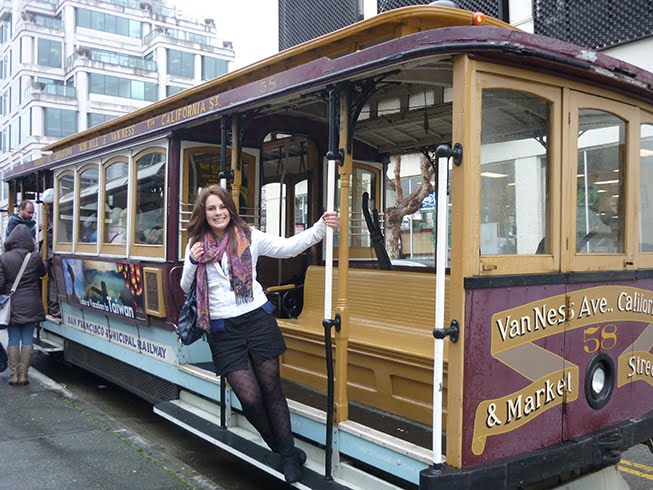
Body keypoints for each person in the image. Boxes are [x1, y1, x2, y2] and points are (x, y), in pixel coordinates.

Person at [180, 185, 337, 484]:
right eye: (211, 208)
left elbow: (288, 247)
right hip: (223, 329)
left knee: (271, 389)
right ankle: (283, 449)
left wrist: (319, 228)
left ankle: (288, 455)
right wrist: (192, 260)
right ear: (204, 213)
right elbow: (187, 287)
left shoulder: (249, 236)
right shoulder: (196, 245)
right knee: (249, 397)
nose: (218, 213)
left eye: (222, 207)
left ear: (230, 208)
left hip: (257, 320)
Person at [0, 224, 46, 386]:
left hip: (11, 305)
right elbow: (43, 273)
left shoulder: (3, 258)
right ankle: (24, 375)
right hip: (31, 303)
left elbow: (0, 284)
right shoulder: (34, 257)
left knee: (13, 339)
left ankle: (13, 375)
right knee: (27, 339)